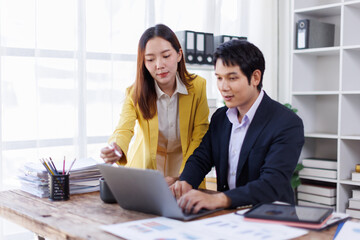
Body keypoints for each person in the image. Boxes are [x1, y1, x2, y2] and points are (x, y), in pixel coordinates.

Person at [170, 39, 304, 213]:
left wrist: (219, 199)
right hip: (229, 216)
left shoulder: (286, 123)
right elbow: (201, 158)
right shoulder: (221, 117)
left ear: (255, 77)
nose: (223, 87)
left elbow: (272, 184)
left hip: (271, 217)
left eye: (232, 78)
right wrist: (185, 182)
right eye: (219, 78)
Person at [100, 24, 209, 186]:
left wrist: (185, 176)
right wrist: (116, 147)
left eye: (166, 56)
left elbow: (200, 134)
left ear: (179, 55)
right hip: (144, 172)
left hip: (185, 169)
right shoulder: (134, 92)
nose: (159, 65)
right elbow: (124, 128)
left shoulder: (198, 87)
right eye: (150, 59)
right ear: (143, 62)